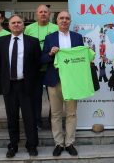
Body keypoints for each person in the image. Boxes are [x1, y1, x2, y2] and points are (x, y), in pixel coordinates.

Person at [0, 14, 40, 158]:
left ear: (23, 25)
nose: (16, 25)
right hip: (9, 86)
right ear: (8, 25)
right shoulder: (1, 41)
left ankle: (32, 145)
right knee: (11, 117)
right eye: (13, 22)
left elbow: (37, 62)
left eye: (19, 22)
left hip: (26, 86)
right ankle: (13, 145)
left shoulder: (33, 41)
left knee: (29, 117)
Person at [41, 11, 84, 157]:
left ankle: (70, 142)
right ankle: (59, 143)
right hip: (55, 81)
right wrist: (50, 54)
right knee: (56, 114)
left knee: (71, 113)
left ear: (70, 21)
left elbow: (81, 60)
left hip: (72, 82)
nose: (64, 20)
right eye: (61, 18)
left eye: (67, 18)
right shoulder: (49, 38)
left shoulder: (78, 38)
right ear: (57, 21)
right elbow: (42, 59)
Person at [24, 4, 59, 130]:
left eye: (45, 12)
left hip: (52, 67)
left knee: (53, 97)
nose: (43, 14)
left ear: (49, 14)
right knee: (36, 97)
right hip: (35, 68)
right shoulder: (28, 29)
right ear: (36, 14)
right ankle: (37, 121)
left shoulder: (56, 28)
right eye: (40, 12)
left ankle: (52, 121)